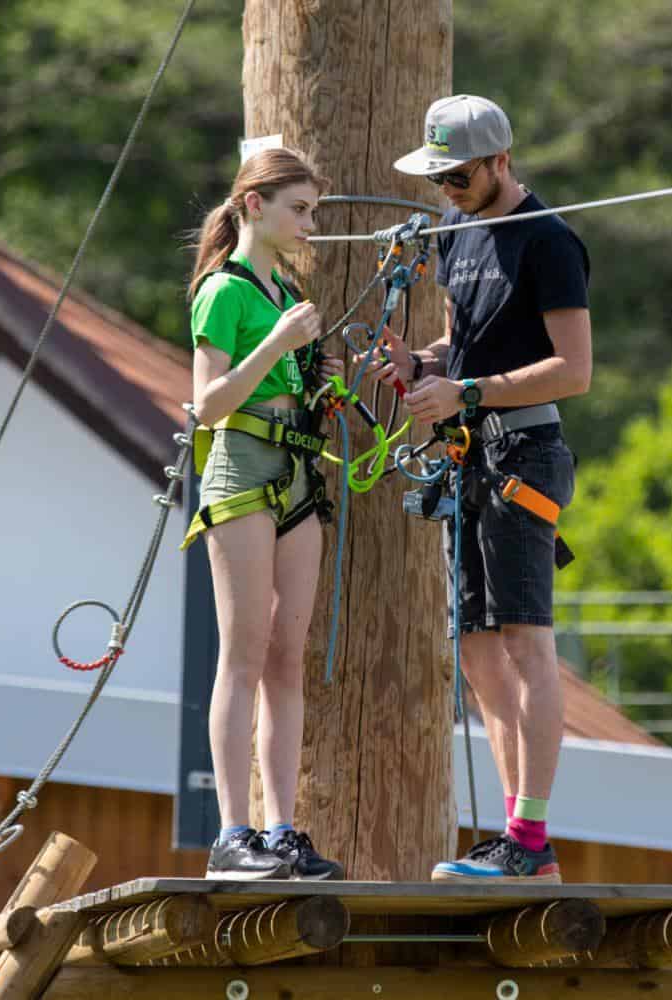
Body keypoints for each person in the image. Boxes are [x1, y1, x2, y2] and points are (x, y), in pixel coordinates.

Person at [381, 95, 593, 882]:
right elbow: (462, 343)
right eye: (438, 179)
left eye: (460, 176)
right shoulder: (455, 230)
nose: (448, 190)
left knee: (524, 642)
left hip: (524, 454)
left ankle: (530, 839)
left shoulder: (549, 241)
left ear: (501, 161)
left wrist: (465, 392)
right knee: (476, 652)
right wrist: (421, 365)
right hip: (469, 457)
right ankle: (518, 840)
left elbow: (573, 370)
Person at [182, 147, 345, 880]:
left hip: (298, 474)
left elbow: (288, 385)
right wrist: (281, 342)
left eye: (312, 211)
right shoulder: (226, 291)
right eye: (298, 209)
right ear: (255, 204)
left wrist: (318, 377)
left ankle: (281, 830)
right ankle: (231, 832)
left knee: (287, 659)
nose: (309, 224)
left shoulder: (287, 291)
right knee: (243, 653)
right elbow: (209, 404)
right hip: (242, 473)